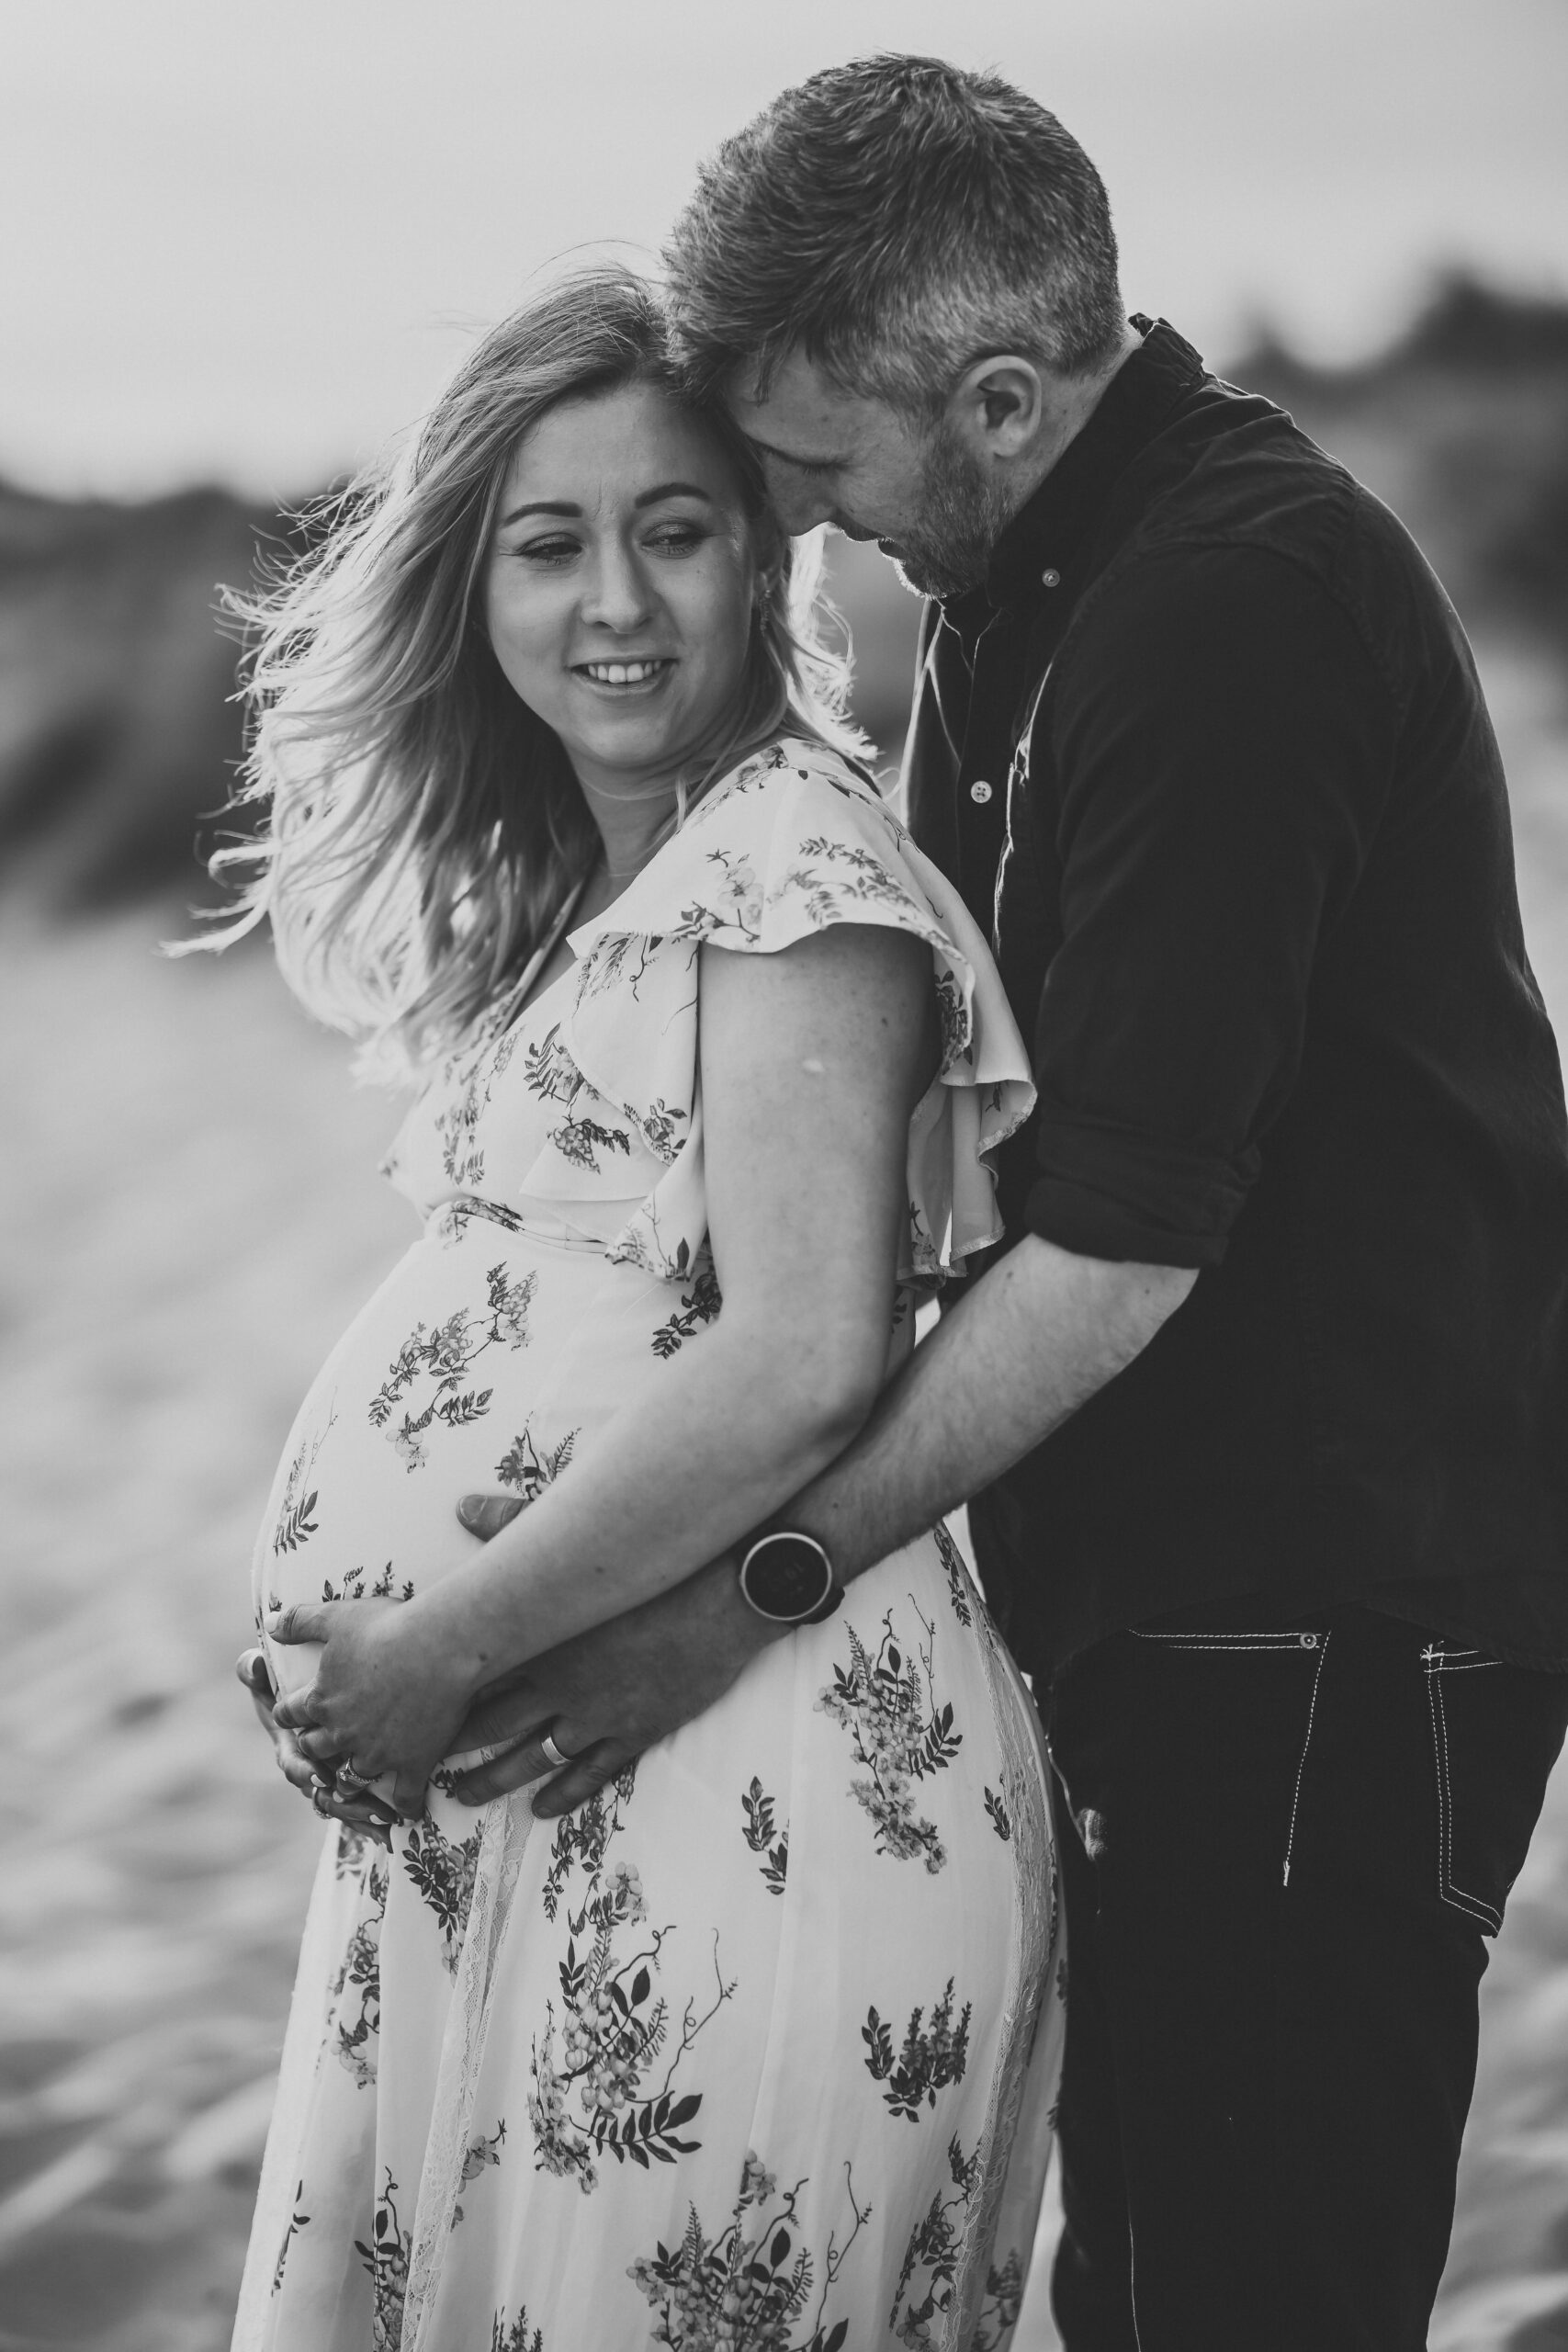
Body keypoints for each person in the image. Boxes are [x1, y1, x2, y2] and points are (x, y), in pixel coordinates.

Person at [387, 55, 1568, 2352]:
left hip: (1323, 1623)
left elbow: (1121, 1242)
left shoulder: (1222, 605)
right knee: (1140, 2286)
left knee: (1251, 2295)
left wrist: (747, 1587)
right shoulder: (1045, 582)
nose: (807, 531)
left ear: (1001, 397)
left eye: (814, 472)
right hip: (1175, 1616)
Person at [225, 265, 1063, 2351]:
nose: (616, 597)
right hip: (585, 1786)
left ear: (758, 554)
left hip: (742, 1787)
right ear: (470, 584)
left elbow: (801, 1357)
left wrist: (439, 1646)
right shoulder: (628, 884)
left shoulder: (788, 869)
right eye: (550, 541)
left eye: (672, 530)